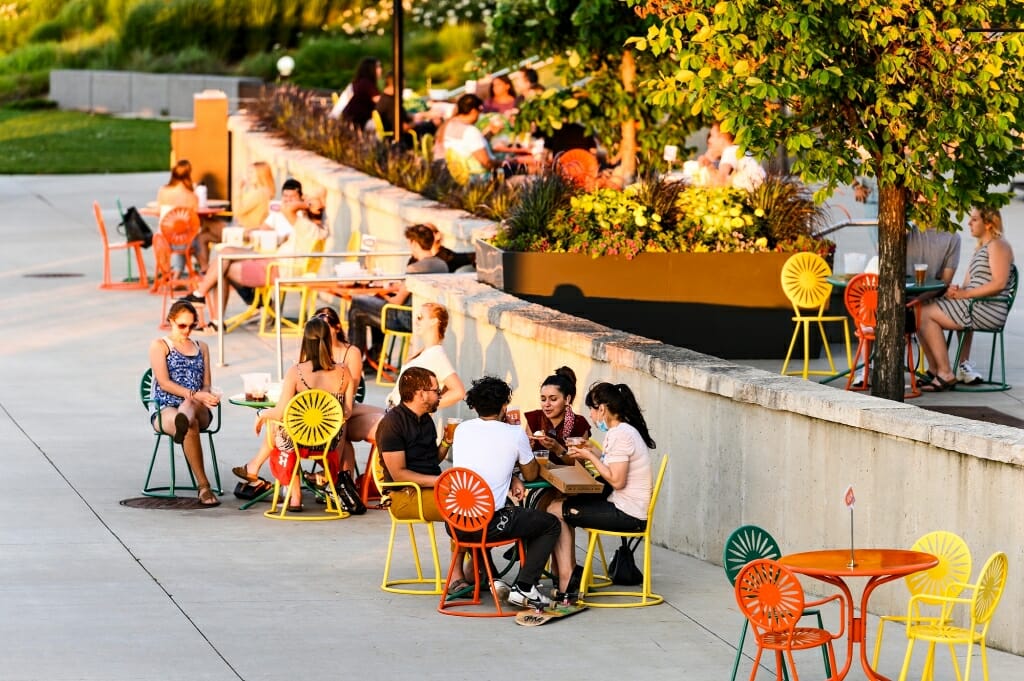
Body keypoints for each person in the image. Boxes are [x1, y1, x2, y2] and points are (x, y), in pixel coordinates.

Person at [450, 376, 561, 607]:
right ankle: (525, 586)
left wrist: (510, 476)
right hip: (488, 526)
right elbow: (531, 476)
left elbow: (479, 467)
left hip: (455, 523)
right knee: (550, 524)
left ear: (474, 405)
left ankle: (494, 579)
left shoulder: (461, 430)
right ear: (504, 407)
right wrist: (521, 458)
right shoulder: (514, 433)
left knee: (489, 511)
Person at [546, 381, 656, 602]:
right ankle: (569, 574)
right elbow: (613, 463)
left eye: (592, 410)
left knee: (556, 510)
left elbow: (616, 480)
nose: (592, 416)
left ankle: (568, 579)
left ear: (602, 409)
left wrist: (590, 457)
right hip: (627, 507)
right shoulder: (624, 431)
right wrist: (593, 450)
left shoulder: (620, 435)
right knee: (559, 504)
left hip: (628, 514)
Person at [236, 317, 355, 511]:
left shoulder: (297, 372)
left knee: (278, 427)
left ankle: (294, 496)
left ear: (306, 342)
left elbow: (281, 411)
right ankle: (265, 474)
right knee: (287, 427)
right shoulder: (344, 372)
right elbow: (348, 411)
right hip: (329, 441)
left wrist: (261, 413)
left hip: (298, 440)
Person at [181, 178, 326, 327]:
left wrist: (308, 203)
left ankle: (206, 304)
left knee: (222, 266)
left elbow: (287, 209)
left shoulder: (307, 227)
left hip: (276, 268)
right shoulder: (316, 229)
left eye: (308, 201)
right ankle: (202, 298)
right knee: (225, 254)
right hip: (274, 260)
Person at [917, 207, 1015, 392]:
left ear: (988, 223)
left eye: (974, 219)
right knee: (919, 308)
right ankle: (935, 369)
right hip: (975, 305)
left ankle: (945, 372)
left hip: (988, 309)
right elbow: (968, 286)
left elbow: (999, 283)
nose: (969, 223)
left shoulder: (998, 245)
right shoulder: (981, 249)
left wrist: (965, 294)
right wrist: (957, 291)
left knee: (922, 313)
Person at [148, 300, 221, 507]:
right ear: (171, 320)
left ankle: (185, 419)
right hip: (166, 407)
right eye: (182, 325)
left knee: (189, 409)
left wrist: (205, 396)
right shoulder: (160, 346)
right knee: (190, 423)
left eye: (192, 325)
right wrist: (194, 394)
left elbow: (206, 384)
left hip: (199, 408)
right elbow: (164, 382)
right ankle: (204, 487)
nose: (187, 330)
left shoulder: (202, 347)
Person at [347, 224, 448, 371]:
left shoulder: (415, 268)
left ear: (414, 243)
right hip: (427, 315)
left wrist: (382, 293)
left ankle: (353, 363)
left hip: (405, 318)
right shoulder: (442, 265)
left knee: (358, 304)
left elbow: (397, 301)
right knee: (365, 310)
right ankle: (373, 358)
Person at [313, 306, 384, 472]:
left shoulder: (351, 352)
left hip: (346, 403)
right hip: (322, 408)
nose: (321, 333)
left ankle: (333, 476)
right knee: (342, 433)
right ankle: (339, 480)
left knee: (384, 414)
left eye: (325, 328)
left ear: (337, 327)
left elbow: (352, 389)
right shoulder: (314, 349)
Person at [196, 161, 275, 272]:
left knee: (206, 222)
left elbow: (238, 211)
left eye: (251, 173)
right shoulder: (259, 191)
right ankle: (206, 269)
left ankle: (207, 269)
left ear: (260, 175)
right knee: (202, 237)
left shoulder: (260, 193)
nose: (248, 176)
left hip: (244, 230)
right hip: (239, 227)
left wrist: (238, 188)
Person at [386, 302, 466, 410]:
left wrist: (425, 406)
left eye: (420, 318)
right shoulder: (425, 351)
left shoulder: (436, 355)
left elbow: (458, 392)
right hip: (394, 411)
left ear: (434, 321)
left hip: (403, 420)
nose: (416, 321)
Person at [524, 366, 591, 465]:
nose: (546, 404)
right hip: (539, 476)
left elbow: (580, 464)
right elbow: (525, 459)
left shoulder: (579, 424)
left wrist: (558, 448)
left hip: (567, 478)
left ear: (567, 399)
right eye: (543, 399)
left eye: (553, 399)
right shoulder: (534, 418)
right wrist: (527, 447)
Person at [439, 93, 507, 180]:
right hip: (479, 177)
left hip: (457, 174)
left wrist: (490, 134)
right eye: (479, 112)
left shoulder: (448, 126)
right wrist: (504, 163)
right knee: (522, 166)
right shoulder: (470, 131)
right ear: (473, 111)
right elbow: (486, 163)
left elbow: (469, 146)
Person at [695, 122, 766, 191]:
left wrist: (708, 166)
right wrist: (709, 165)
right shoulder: (737, 150)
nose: (710, 140)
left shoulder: (730, 151)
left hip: (751, 195)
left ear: (722, 137)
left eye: (712, 136)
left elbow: (720, 183)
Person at [341, 57, 382, 133]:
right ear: (370, 69)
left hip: (351, 119)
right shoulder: (366, 84)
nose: (380, 70)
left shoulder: (359, 82)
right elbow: (380, 102)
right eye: (378, 67)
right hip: (358, 122)